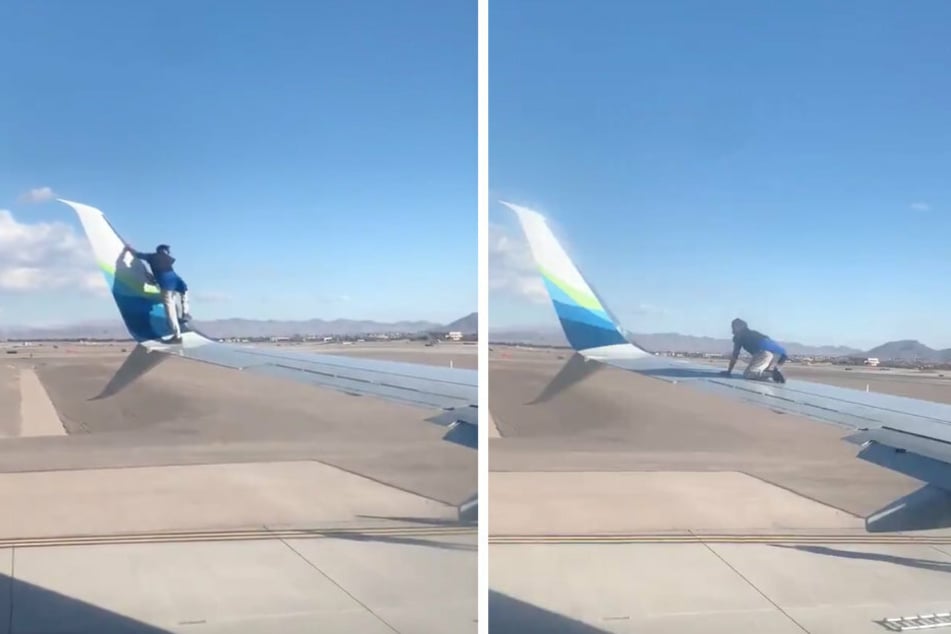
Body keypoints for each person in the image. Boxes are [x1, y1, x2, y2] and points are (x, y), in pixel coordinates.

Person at [124, 243, 191, 341]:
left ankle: (177, 335)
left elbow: (138, 254)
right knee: (184, 292)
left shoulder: (151, 257)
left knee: (170, 309)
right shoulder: (168, 259)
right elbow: (164, 265)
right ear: (164, 251)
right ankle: (184, 313)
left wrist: (128, 249)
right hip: (175, 280)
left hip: (166, 283)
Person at [720, 318, 787, 383]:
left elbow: (735, 355)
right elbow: (784, 354)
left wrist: (729, 371)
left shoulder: (739, 336)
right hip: (778, 355)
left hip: (764, 353)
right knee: (761, 373)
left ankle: (772, 374)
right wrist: (777, 367)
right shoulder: (756, 334)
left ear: (736, 328)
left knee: (748, 374)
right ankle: (774, 373)